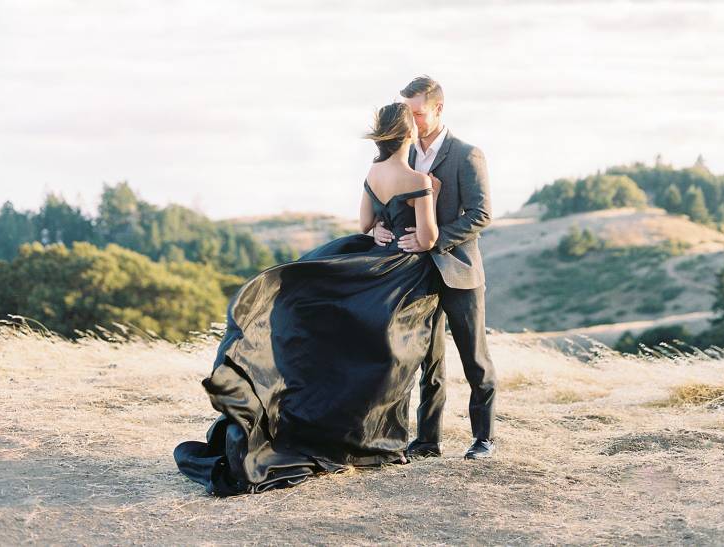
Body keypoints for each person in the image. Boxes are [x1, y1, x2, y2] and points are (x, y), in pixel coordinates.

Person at [173, 102, 443, 496]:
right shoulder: (417, 178)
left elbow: (366, 224)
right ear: (409, 135)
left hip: (371, 260)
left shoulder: (373, 173)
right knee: (396, 359)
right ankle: (380, 443)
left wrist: (382, 229)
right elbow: (430, 237)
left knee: (362, 352)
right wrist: (423, 210)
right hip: (402, 273)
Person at [373, 76, 497, 460]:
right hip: (412, 274)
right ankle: (427, 440)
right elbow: (384, 200)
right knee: (425, 359)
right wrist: (379, 226)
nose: (410, 121)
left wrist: (434, 239)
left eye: (418, 113)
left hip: (458, 270)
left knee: (474, 358)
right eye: (407, 113)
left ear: (439, 109)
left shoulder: (467, 154)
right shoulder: (400, 154)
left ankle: (483, 439)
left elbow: (481, 214)